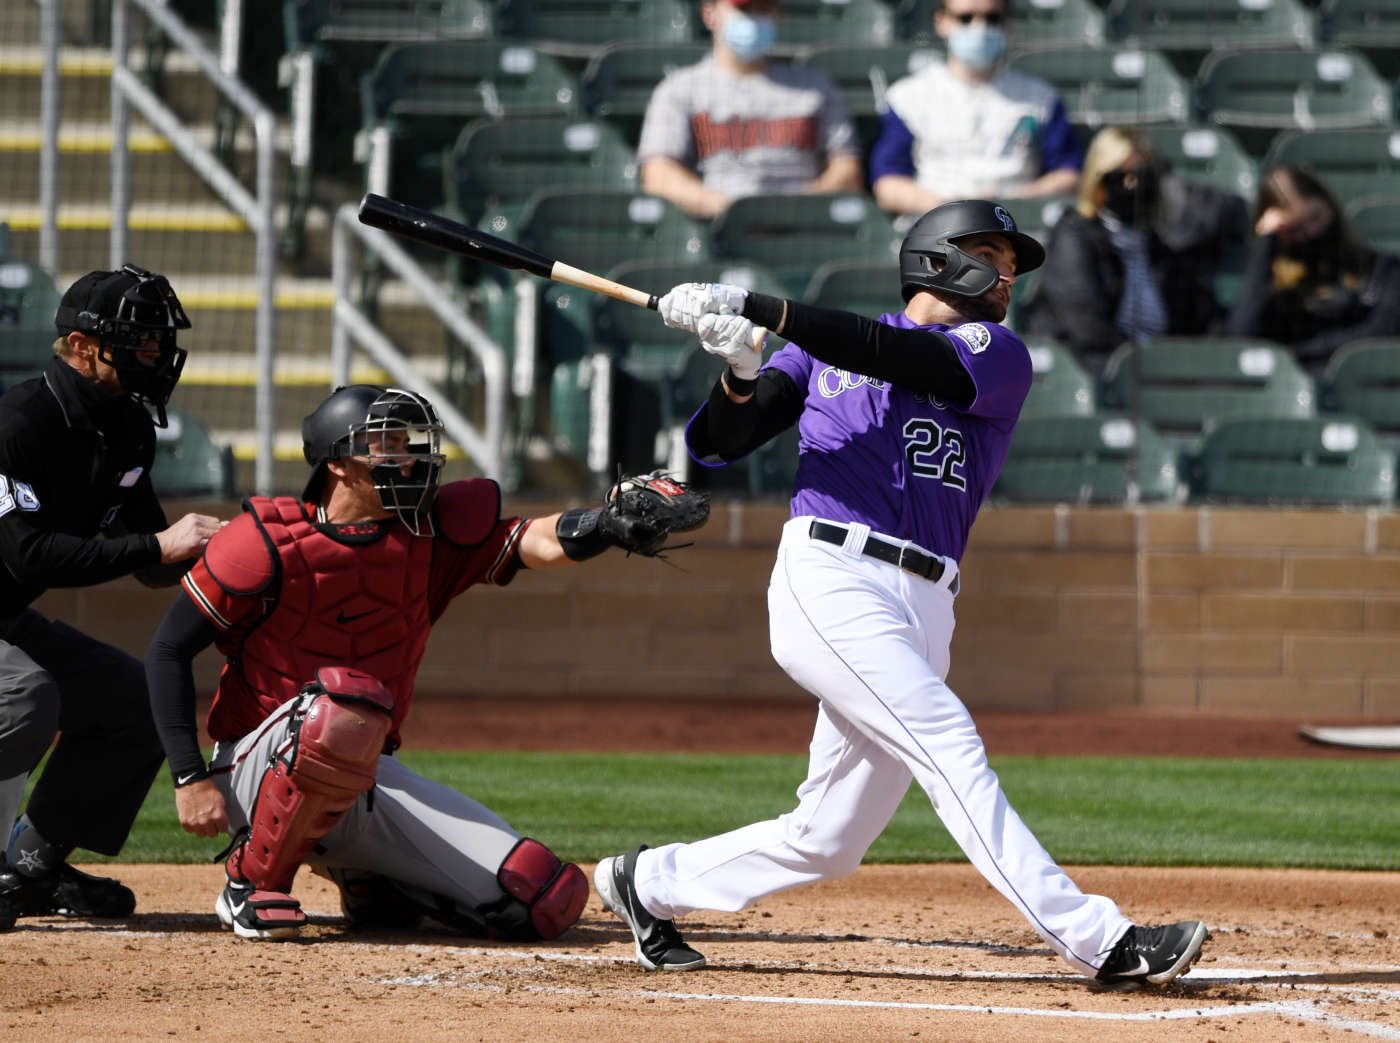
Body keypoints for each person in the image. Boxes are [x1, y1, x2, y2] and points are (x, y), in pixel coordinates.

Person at [592, 199, 1210, 988]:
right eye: (993, 253)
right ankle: (1101, 939)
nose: (1009, 273)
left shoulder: (994, 352)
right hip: (831, 575)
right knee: (948, 742)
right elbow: (718, 445)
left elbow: (901, 356)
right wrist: (740, 370)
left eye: (1012, 260)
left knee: (829, 836)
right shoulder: (814, 356)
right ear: (937, 257)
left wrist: (760, 306)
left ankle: (646, 883)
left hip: (927, 602)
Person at [144, 384, 706, 942]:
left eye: (409, 444)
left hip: (361, 772)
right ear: (340, 463)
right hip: (251, 767)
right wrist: (190, 778)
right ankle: (252, 882)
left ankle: (370, 874)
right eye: (386, 445)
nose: (408, 459)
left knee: (541, 897)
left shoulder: (428, 536)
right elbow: (167, 650)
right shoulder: (263, 541)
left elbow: (530, 539)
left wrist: (605, 522)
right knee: (335, 712)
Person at [0, 264, 223, 931]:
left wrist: (232, 554)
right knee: (24, 697)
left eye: (158, 341)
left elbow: (155, 553)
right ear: (80, 347)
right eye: (139, 341)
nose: (155, 355)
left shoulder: (127, 428)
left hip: (4, 616)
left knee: (134, 701)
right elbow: (23, 553)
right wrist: (159, 547)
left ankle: (31, 869)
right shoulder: (17, 421)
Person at [1020, 126, 1230, 373]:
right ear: (1099, 181)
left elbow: (1201, 318)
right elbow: (1087, 327)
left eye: (1144, 176)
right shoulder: (1073, 236)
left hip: (1156, 374)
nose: (1135, 186)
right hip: (1093, 371)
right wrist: (1149, 366)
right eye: (1124, 177)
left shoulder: (1160, 247)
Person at [636, 0, 864, 220]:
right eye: (744, 9)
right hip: (717, 228)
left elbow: (847, 171)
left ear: (777, 15)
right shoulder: (680, 88)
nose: (754, 18)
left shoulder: (816, 87)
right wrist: (733, 211)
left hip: (803, 229)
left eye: (763, 8)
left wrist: (798, 211)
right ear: (709, 14)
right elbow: (659, 176)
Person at [869, 0, 1082, 222]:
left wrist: (1008, 203)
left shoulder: (1042, 97)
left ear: (1008, 24)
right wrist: (949, 209)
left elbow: (1068, 173)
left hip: (1017, 229)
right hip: (936, 230)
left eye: (992, 18)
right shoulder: (907, 96)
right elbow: (888, 183)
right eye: (965, 18)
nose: (979, 28)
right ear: (941, 21)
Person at [1223, 164, 1400, 377]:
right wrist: (1266, 243)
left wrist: (1297, 353)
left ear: (1330, 206)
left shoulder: (1380, 268)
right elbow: (1240, 338)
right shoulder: (1270, 288)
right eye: (1294, 229)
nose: (1311, 233)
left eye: (1315, 218)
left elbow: (1378, 335)